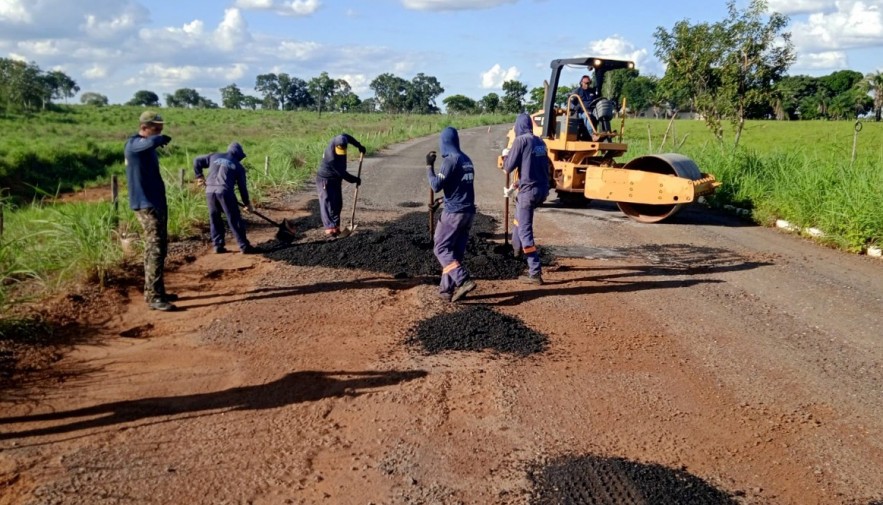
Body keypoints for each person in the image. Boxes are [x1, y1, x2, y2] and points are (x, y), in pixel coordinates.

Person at [124, 110, 176, 311]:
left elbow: (152, 143)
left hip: (156, 203)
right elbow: (150, 142)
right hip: (146, 205)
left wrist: (158, 138)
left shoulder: (146, 147)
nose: (159, 132)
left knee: (160, 248)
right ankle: (155, 297)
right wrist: (160, 138)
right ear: (144, 128)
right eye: (156, 129)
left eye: (161, 129)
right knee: (154, 249)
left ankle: (155, 291)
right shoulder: (134, 145)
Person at [425, 127, 477, 302]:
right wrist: (440, 201)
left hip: (454, 214)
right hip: (468, 212)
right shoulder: (466, 159)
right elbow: (458, 188)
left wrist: (428, 166)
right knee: (453, 253)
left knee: (440, 248)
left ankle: (463, 280)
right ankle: (446, 291)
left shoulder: (450, 161)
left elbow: (436, 185)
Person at [502, 113, 550, 285]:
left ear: (518, 126)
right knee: (519, 218)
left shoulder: (521, 141)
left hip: (528, 192)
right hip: (541, 189)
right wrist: (516, 185)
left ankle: (535, 271)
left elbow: (508, 167)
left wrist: (506, 154)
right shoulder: (540, 142)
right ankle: (516, 250)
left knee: (524, 230)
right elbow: (539, 166)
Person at [193, 142, 256, 254]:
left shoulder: (214, 156)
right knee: (234, 219)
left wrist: (199, 176)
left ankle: (218, 246)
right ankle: (244, 246)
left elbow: (197, 160)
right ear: (239, 154)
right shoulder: (239, 167)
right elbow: (242, 188)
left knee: (215, 219)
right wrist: (247, 203)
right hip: (225, 192)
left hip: (210, 191)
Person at [316, 133, 366, 237]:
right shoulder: (331, 158)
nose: (342, 153)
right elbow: (342, 173)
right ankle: (329, 228)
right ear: (335, 145)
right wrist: (355, 180)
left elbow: (349, 138)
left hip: (336, 179)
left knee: (338, 203)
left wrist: (359, 146)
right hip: (326, 180)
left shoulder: (342, 138)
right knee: (327, 203)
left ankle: (336, 227)